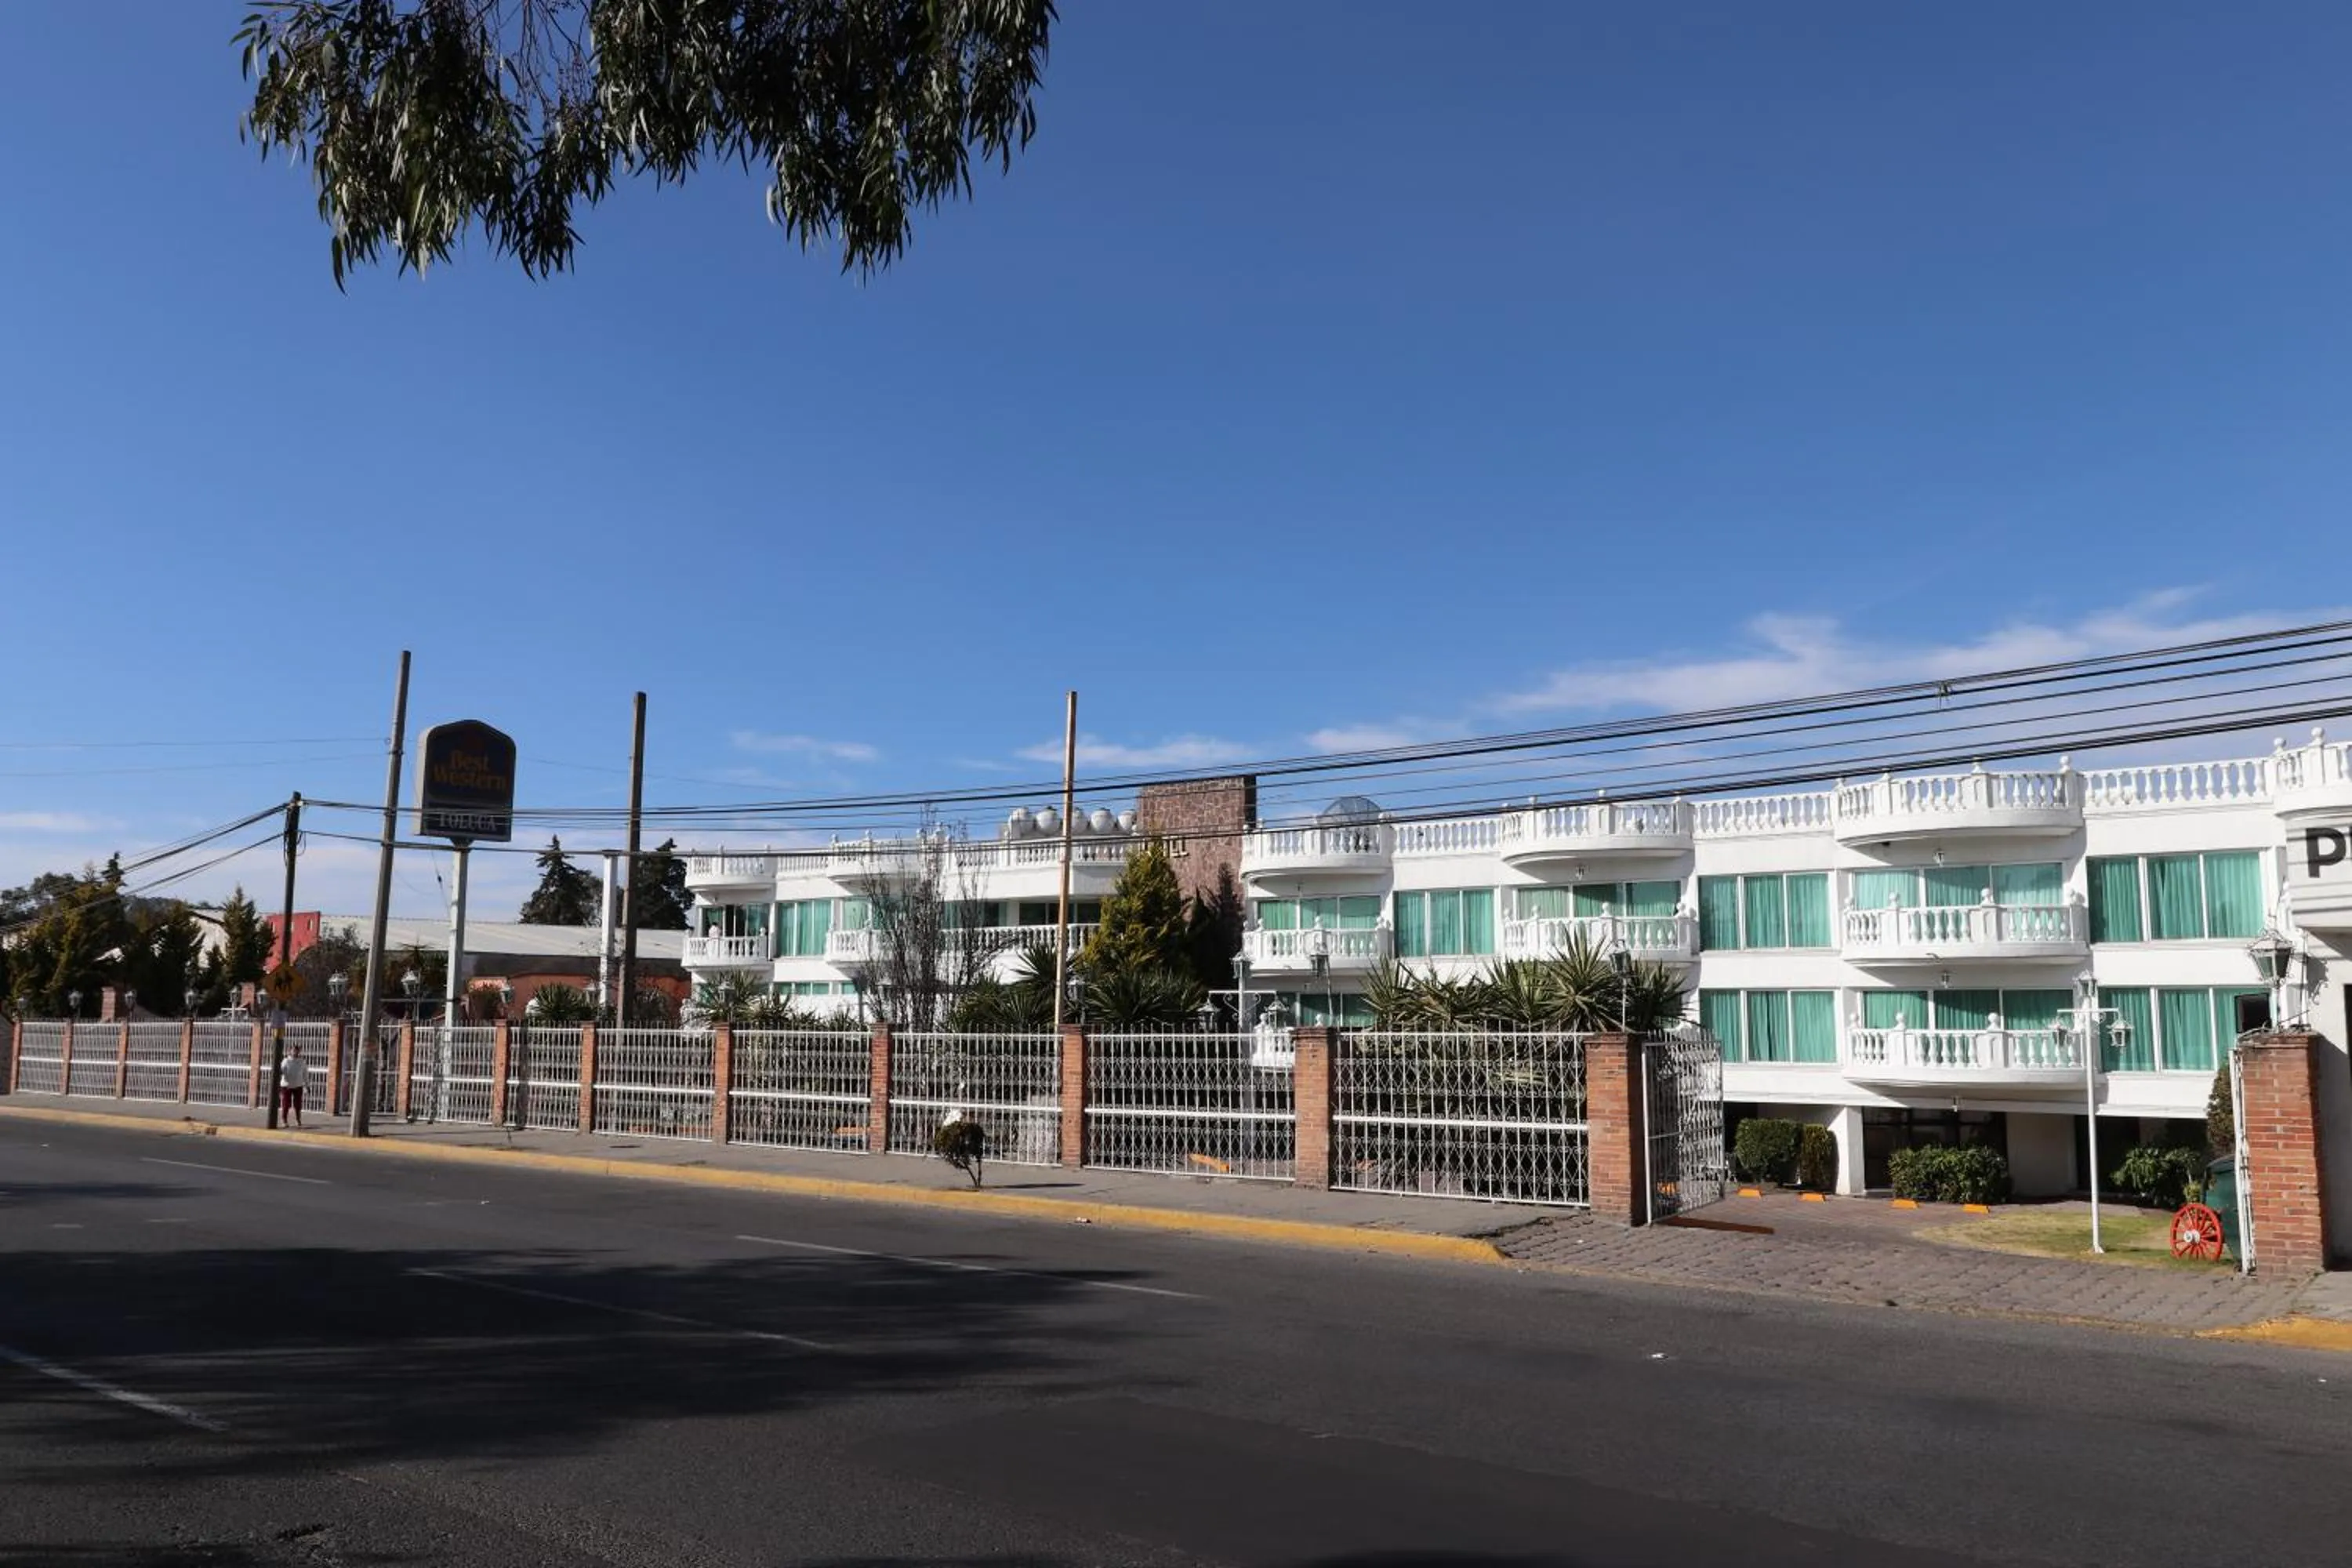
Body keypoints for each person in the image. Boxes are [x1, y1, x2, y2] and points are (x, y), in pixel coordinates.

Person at [279, 1042, 309, 1128]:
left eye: (297, 1051)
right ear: (290, 1051)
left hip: (298, 1085)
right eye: (294, 1050)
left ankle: (298, 1119)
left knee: (298, 1104)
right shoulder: (286, 1061)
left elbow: (305, 1074)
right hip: (287, 1086)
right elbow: (282, 1071)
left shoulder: (302, 1062)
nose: (295, 1052)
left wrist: (307, 1085)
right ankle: (284, 1120)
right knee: (286, 1104)